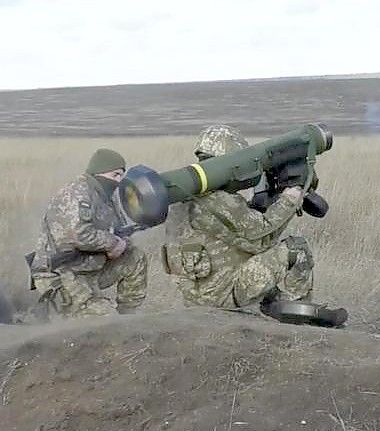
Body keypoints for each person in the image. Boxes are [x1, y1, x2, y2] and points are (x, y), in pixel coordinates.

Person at [163, 125, 328, 318]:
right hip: (221, 296)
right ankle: (299, 312)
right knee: (296, 248)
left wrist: (259, 205)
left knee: (251, 261)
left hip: (196, 295)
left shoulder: (186, 195)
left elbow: (233, 230)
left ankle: (273, 304)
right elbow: (261, 240)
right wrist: (289, 199)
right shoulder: (218, 199)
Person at [29, 148, 147, 317]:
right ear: (100, 172)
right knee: (106, 321)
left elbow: (117, 230)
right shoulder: (76, 193)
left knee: (135, 256)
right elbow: (79, 235)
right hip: (63, 274)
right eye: (115, 175)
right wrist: (112, 243)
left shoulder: (106, 197)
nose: (119, 181)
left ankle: (128, 315)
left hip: (89, 268)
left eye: (122, 175)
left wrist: (122, 243)